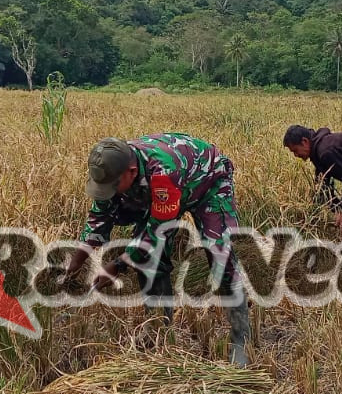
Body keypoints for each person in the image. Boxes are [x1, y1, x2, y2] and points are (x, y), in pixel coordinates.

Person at [64, 133, 250, 367]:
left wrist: (117, 266)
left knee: (220, 253)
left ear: (132, 171)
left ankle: (241, 338)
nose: (107, 191)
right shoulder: (111, 171)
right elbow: (98, 219)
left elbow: (155, 234)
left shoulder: (163, 171)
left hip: (207, 182)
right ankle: (160, 330)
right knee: (149, 261)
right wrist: (75, 264)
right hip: (162, 195)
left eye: (112, 187)